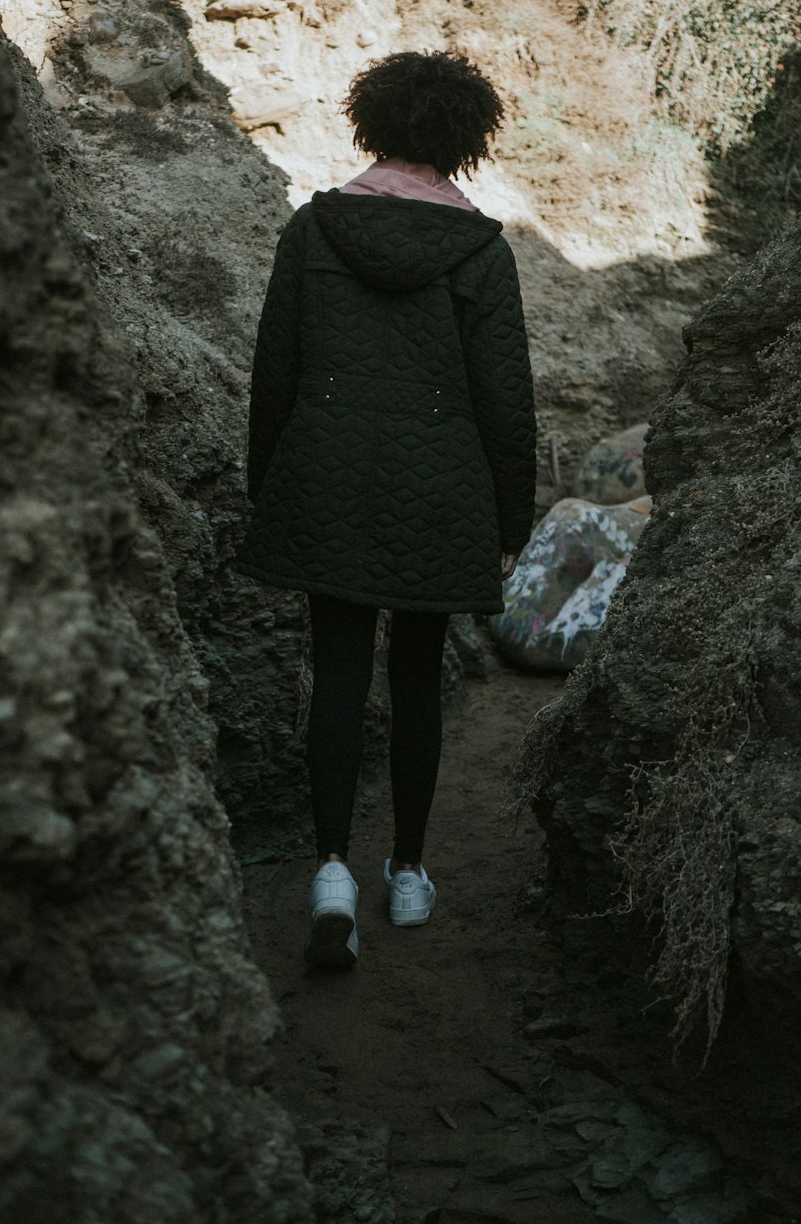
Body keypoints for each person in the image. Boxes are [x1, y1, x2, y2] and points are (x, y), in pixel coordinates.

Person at [242, 50, 536, 967]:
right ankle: (407, 873)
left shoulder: (314, 230)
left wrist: (274, 485)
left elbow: (274, 374)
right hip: (440, 489)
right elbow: (505, 402)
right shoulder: (481, 251)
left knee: (335, 673)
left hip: (327, 473)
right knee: (416, 677)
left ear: (370, 124)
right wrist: (509, 523)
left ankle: (330, 870)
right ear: (464, 138)